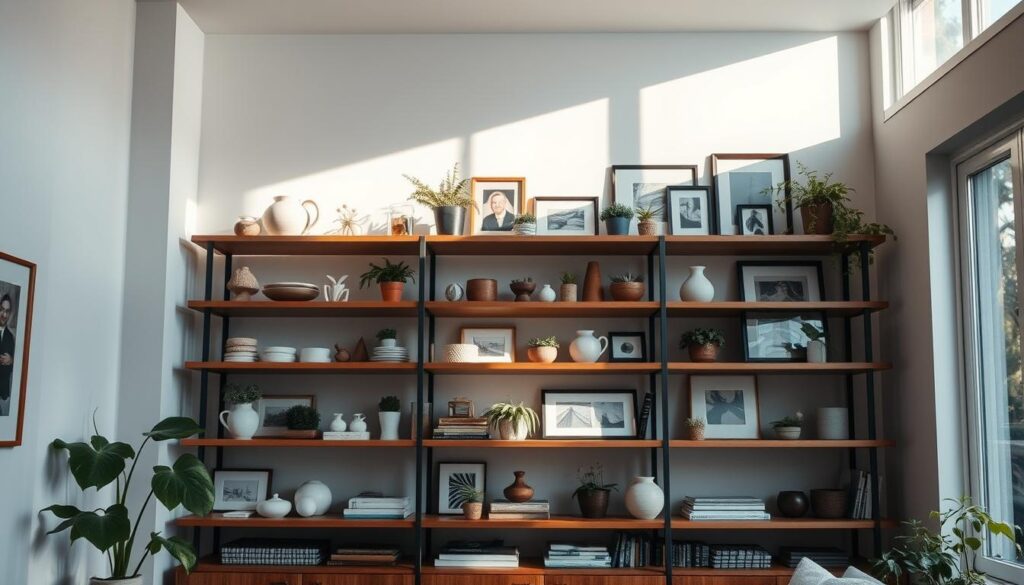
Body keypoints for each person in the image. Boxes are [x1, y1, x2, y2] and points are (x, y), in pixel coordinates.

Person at [0, 294, 15, 416]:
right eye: (2, 310)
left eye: (7, 311)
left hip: (2, 394)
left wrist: (12, 360)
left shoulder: (10, 337)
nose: (4, 315)